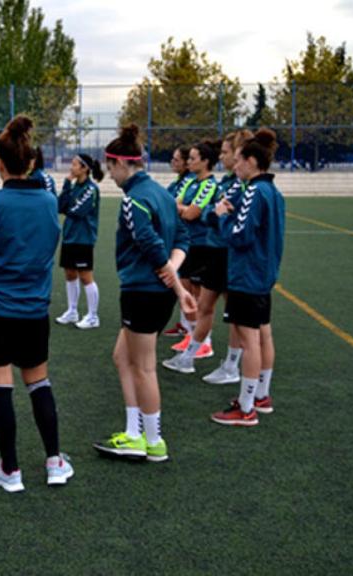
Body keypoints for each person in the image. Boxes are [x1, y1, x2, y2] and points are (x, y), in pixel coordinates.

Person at [0, 115, 74, 493]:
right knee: (38, 381)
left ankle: (10, 470)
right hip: (32, 309)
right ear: (30, 163)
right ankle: (55, 462)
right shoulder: (48, 202)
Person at [91, 125, 196, 464]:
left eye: (111, 166)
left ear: (123, 162)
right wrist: (173, 272)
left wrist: (177, 285)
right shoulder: (163, 193)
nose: (110, 173)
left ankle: (154, 441)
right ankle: (134, 433)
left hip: (143, 292)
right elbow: (183, 237)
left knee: (144, 368)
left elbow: (151, 246)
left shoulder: (135, 199)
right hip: (156, 290)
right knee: (122, 358)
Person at [209, 128, 284, 426]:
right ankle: (261, 396)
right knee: (262, 335)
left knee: (249, 339)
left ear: (252, 161)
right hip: (262, 274)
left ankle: (246, 407)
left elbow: (239, 236)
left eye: (239, 159)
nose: (235, 166)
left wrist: (221, 216)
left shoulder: (254, 191)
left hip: (247, 274)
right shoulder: (273, 192)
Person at [163, 139, 224, 371]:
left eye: (193, 158)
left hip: (202, 244)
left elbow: (191, 213)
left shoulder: (209, 185)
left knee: (198, 295)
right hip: (187, 243)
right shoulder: (190, 183)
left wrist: (183, 209)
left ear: (206, 162)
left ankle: (204, 343)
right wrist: (182, 208)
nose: (189, 162)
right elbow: (178, 206)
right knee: (186, 291)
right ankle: (192, 337)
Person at [200, 129, 254, 385]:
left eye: (225, 152)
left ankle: (236, 370)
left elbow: (212, 215)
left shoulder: (246, 188)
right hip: (221, 250)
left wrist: (213, 214)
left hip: (230, 254)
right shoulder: (234, 183)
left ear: (240, 154)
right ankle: (235, 368)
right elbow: (211, 212)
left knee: (245, 322)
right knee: (224, 311)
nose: (221, 156)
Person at [54, 154, 104, 330]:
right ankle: (72, 311)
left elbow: (76, 211)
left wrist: (67, 204)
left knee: (85, 276)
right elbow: (60, 207)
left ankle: (92, 316)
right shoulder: (74, 186)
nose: (71, 167)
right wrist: (67, 185)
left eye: (74, 164)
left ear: (84, 169)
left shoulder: (91, 189)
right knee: (69, 274)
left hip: (83, 238)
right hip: (69, 236)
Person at [162, 145, 196, 338]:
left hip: (190, 240)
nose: (173, 163)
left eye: (177, 160)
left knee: (189, 287)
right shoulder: (180, 181)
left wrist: (179, 208)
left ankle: (195, 334)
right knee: (182, 283)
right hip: (179, 237)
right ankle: (186, 326)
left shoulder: (191, 182)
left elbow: (182, 208)